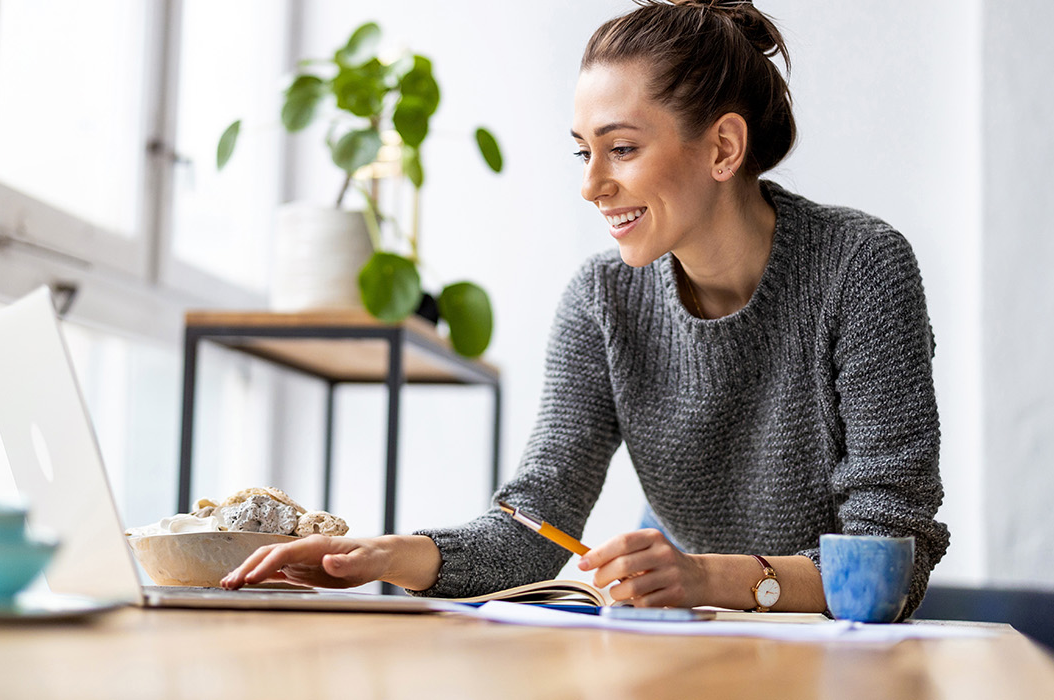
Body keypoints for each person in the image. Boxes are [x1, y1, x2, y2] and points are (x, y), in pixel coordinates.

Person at [224, 0, 948, 617]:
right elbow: (534, 525)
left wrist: (704, 576)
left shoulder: (861, 268)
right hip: (691, 641)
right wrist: (387, 554)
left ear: (723, 147)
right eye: (584, 154)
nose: (593, 185)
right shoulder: (603, 300)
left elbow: (889, 561)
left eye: (622, 148)